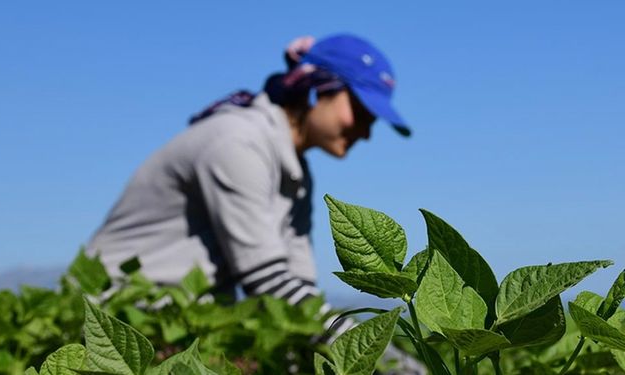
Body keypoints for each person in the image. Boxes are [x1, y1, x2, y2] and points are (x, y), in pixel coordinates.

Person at [87, 33, 422, 373]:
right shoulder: (237, 143)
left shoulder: (295, 173)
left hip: (179, 324)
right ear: (316, 89)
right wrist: (394, 367)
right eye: (361, 111)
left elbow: (299, 297)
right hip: (115, 317)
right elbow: (269, 284)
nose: (366, 132)